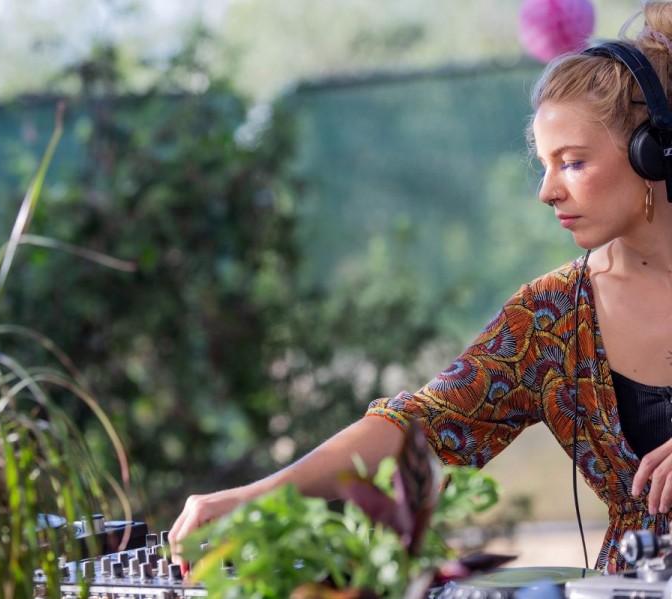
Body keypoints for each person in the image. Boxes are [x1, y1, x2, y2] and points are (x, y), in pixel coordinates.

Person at [169, 1, 672, 575]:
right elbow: (418, 427)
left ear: (652, 152)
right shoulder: (551, 317)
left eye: (573, 163)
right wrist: (252, 498)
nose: (547, 191)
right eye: (544, 165)